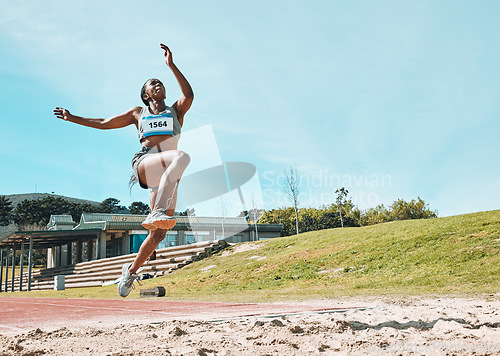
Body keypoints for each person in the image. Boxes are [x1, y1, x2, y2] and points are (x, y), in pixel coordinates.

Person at [53, 44, 193, 297]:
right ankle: (158, 211)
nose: (158, 84)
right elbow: (105, 122)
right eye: (153, 83)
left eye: (161, 82)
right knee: (182, 156)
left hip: (166, 177)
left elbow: (189, 93)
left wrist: (171, 65)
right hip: (146, 163)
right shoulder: (138, 114)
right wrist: (73, 117)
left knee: (158, 233)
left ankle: (130, 272)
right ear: (146, 95)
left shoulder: (176, 111)